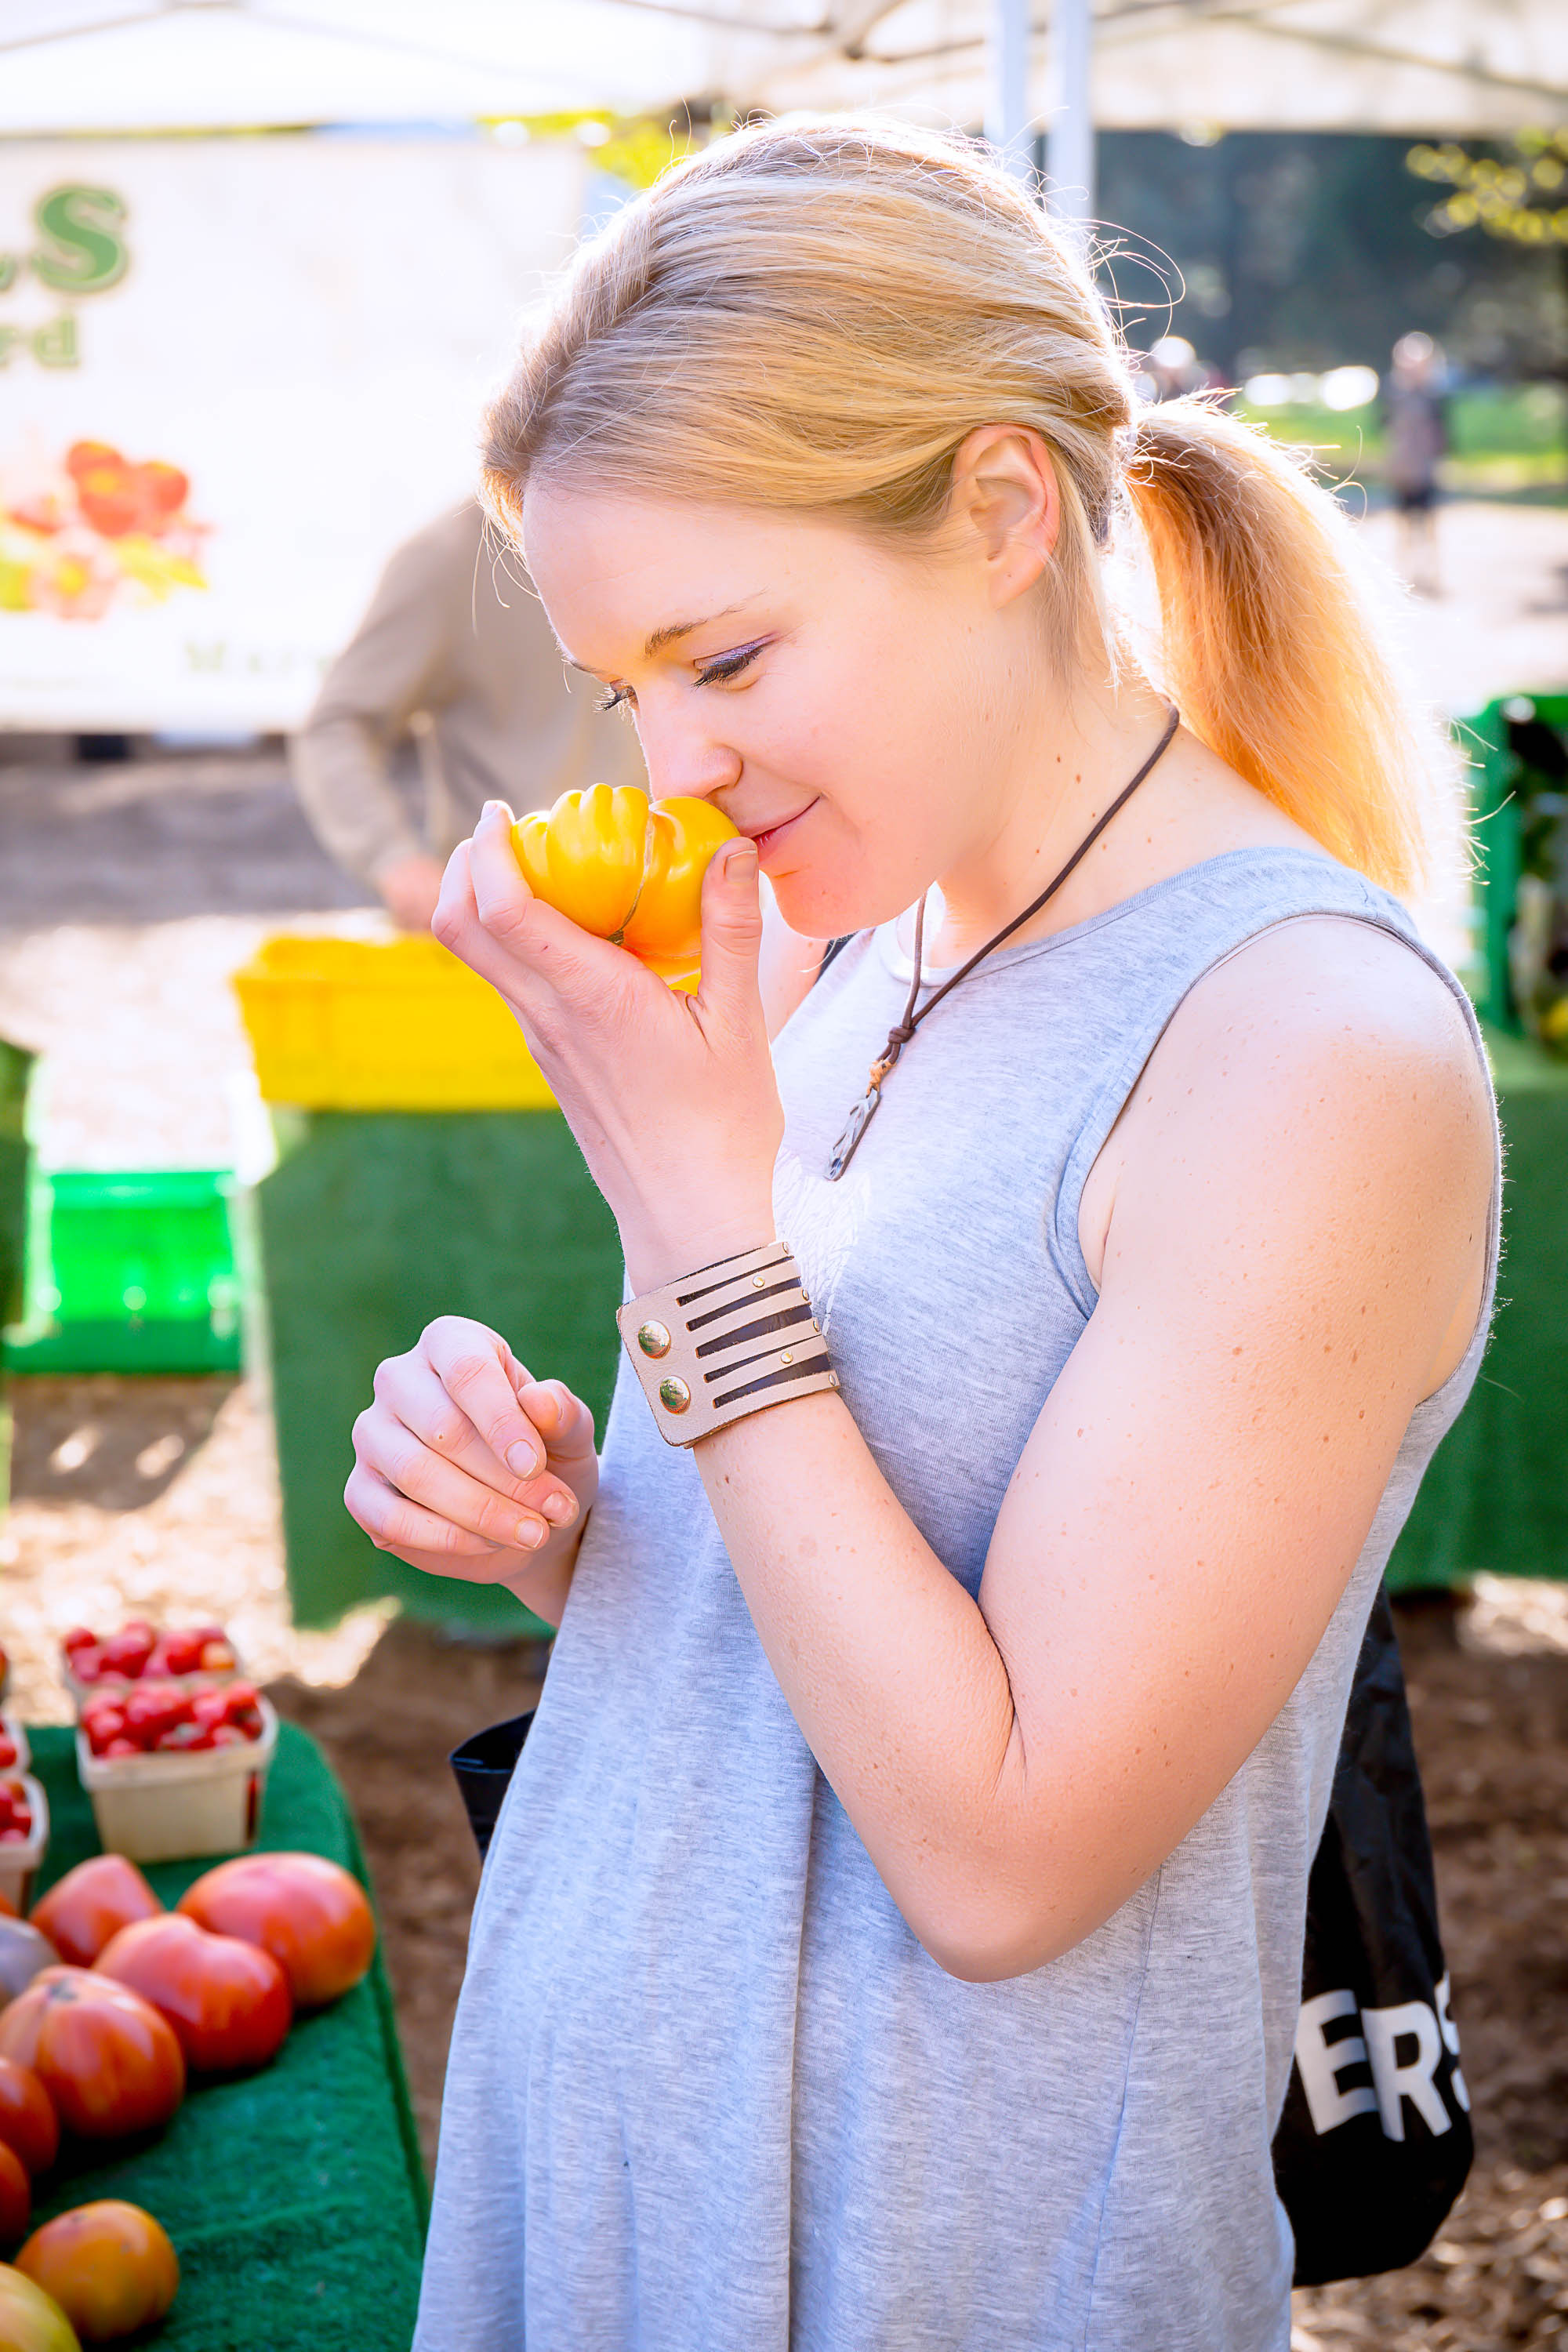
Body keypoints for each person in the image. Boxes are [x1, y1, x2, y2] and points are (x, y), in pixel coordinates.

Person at [346, 122, 1497, 2351]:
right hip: (603, 2198)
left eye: (733, 655)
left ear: (998, 510)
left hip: (936, 2275)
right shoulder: (851, 939)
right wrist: (569, 1528)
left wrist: (684, 1198)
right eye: (623, 689)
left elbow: (999, 1856)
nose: (672, 766)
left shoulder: (1302, 1046)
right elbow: (823, 1574)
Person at [290, 498, 644, 931]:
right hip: (509, 927)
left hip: (676, 906)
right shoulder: (448, 559)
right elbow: (338, 726)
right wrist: (393, 859)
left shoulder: (668, 519)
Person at [1384, 332, 1449, 597]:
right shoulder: (1394, 394)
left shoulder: (1432, 395)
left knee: (1429, 520)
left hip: (1425, 467)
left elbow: (1442, 433)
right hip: (1402, 466)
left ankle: (1431, 570)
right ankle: (1404, 571)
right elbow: (1386, 428)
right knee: (1404, 522)